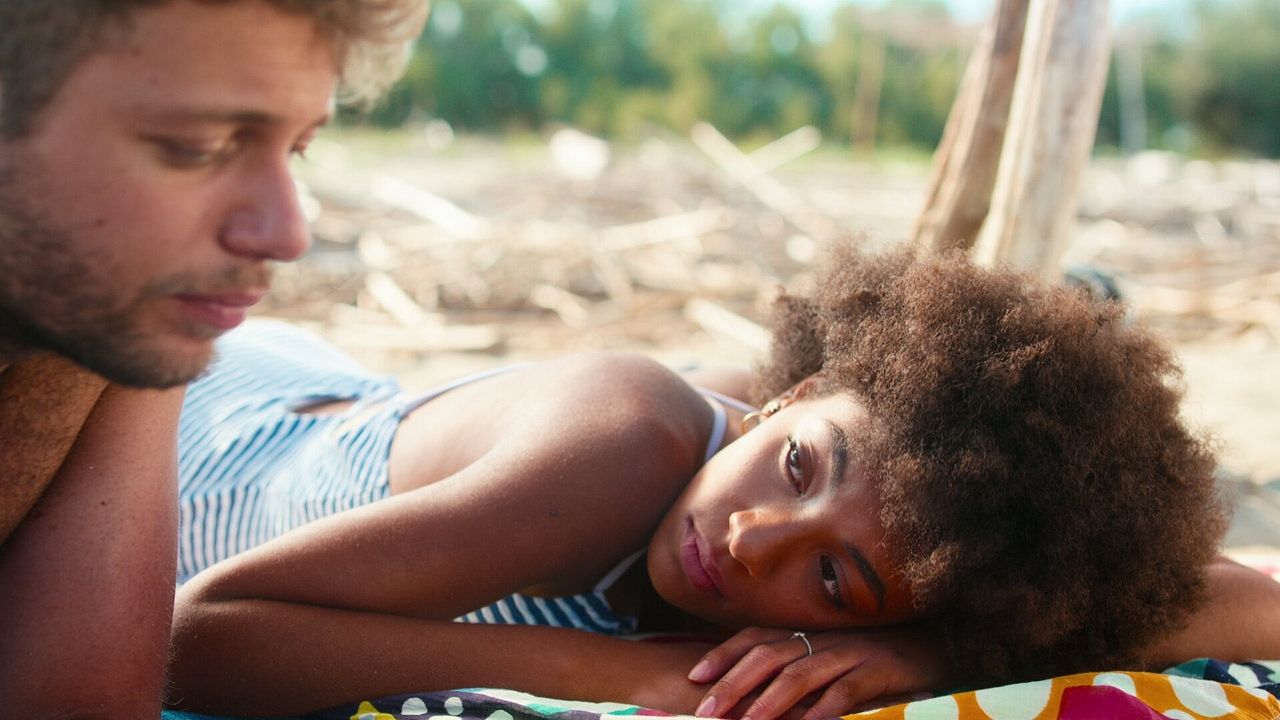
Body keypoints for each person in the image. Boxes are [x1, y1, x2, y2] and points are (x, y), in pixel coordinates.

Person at [168, 244, 1280, 719]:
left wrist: (925, 651)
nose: (751, 538)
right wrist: (620, 674)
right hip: (213, 428)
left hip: (379, 398)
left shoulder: (862, 571)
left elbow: (1228, 600)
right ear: (791, 397)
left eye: (834, 581)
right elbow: (195, 637)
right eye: (796, 464)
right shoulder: (630, 448)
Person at [0, 1, 427, 716]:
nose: (288, 234)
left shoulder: (111, 322)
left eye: (297, 149)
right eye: (198, 147)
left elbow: (84, 701)